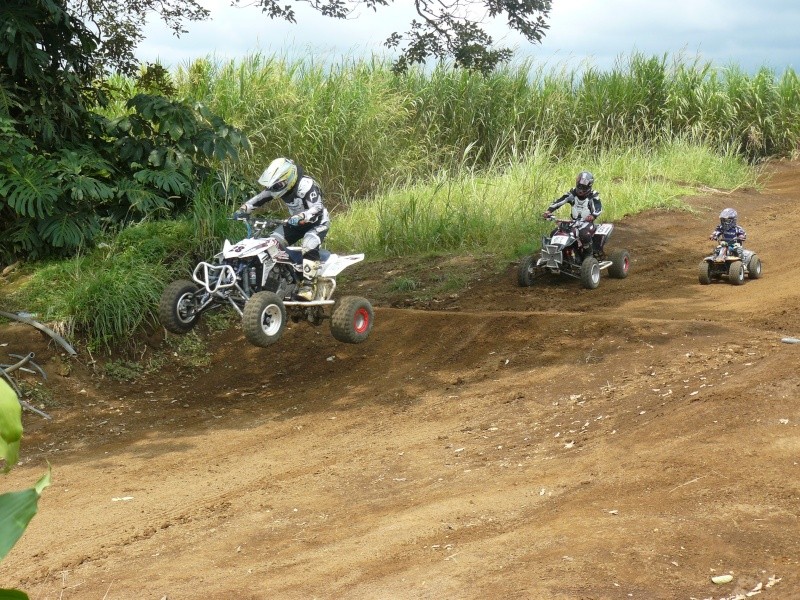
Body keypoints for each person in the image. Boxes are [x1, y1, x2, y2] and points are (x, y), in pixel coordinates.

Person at [238, 157, 330, 301]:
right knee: (271, 243)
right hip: (295, 223)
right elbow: (261, 197)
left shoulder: (306, 185)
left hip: (317, 222)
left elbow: (317, 208)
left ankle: (308, 285)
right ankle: (282, 279)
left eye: (278, 185)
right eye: (274, 186)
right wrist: (244, 209)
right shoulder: (277, 187)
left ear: (288, 178)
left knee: (309, 244)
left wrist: (301, 216)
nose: (275, 189)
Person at [543, 171, 603, 254]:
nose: (581, 189)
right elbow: (560, 201)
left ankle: (588, 255)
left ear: (589, 186)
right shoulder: (572, 193)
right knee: (554, 233)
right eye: (580, 186)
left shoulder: (593, 196)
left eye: (584, 187)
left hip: (587, 223)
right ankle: (561, 254)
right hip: (573, 222)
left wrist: (593, 215)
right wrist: (549, 211)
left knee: (584, 234)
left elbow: (598, 207)